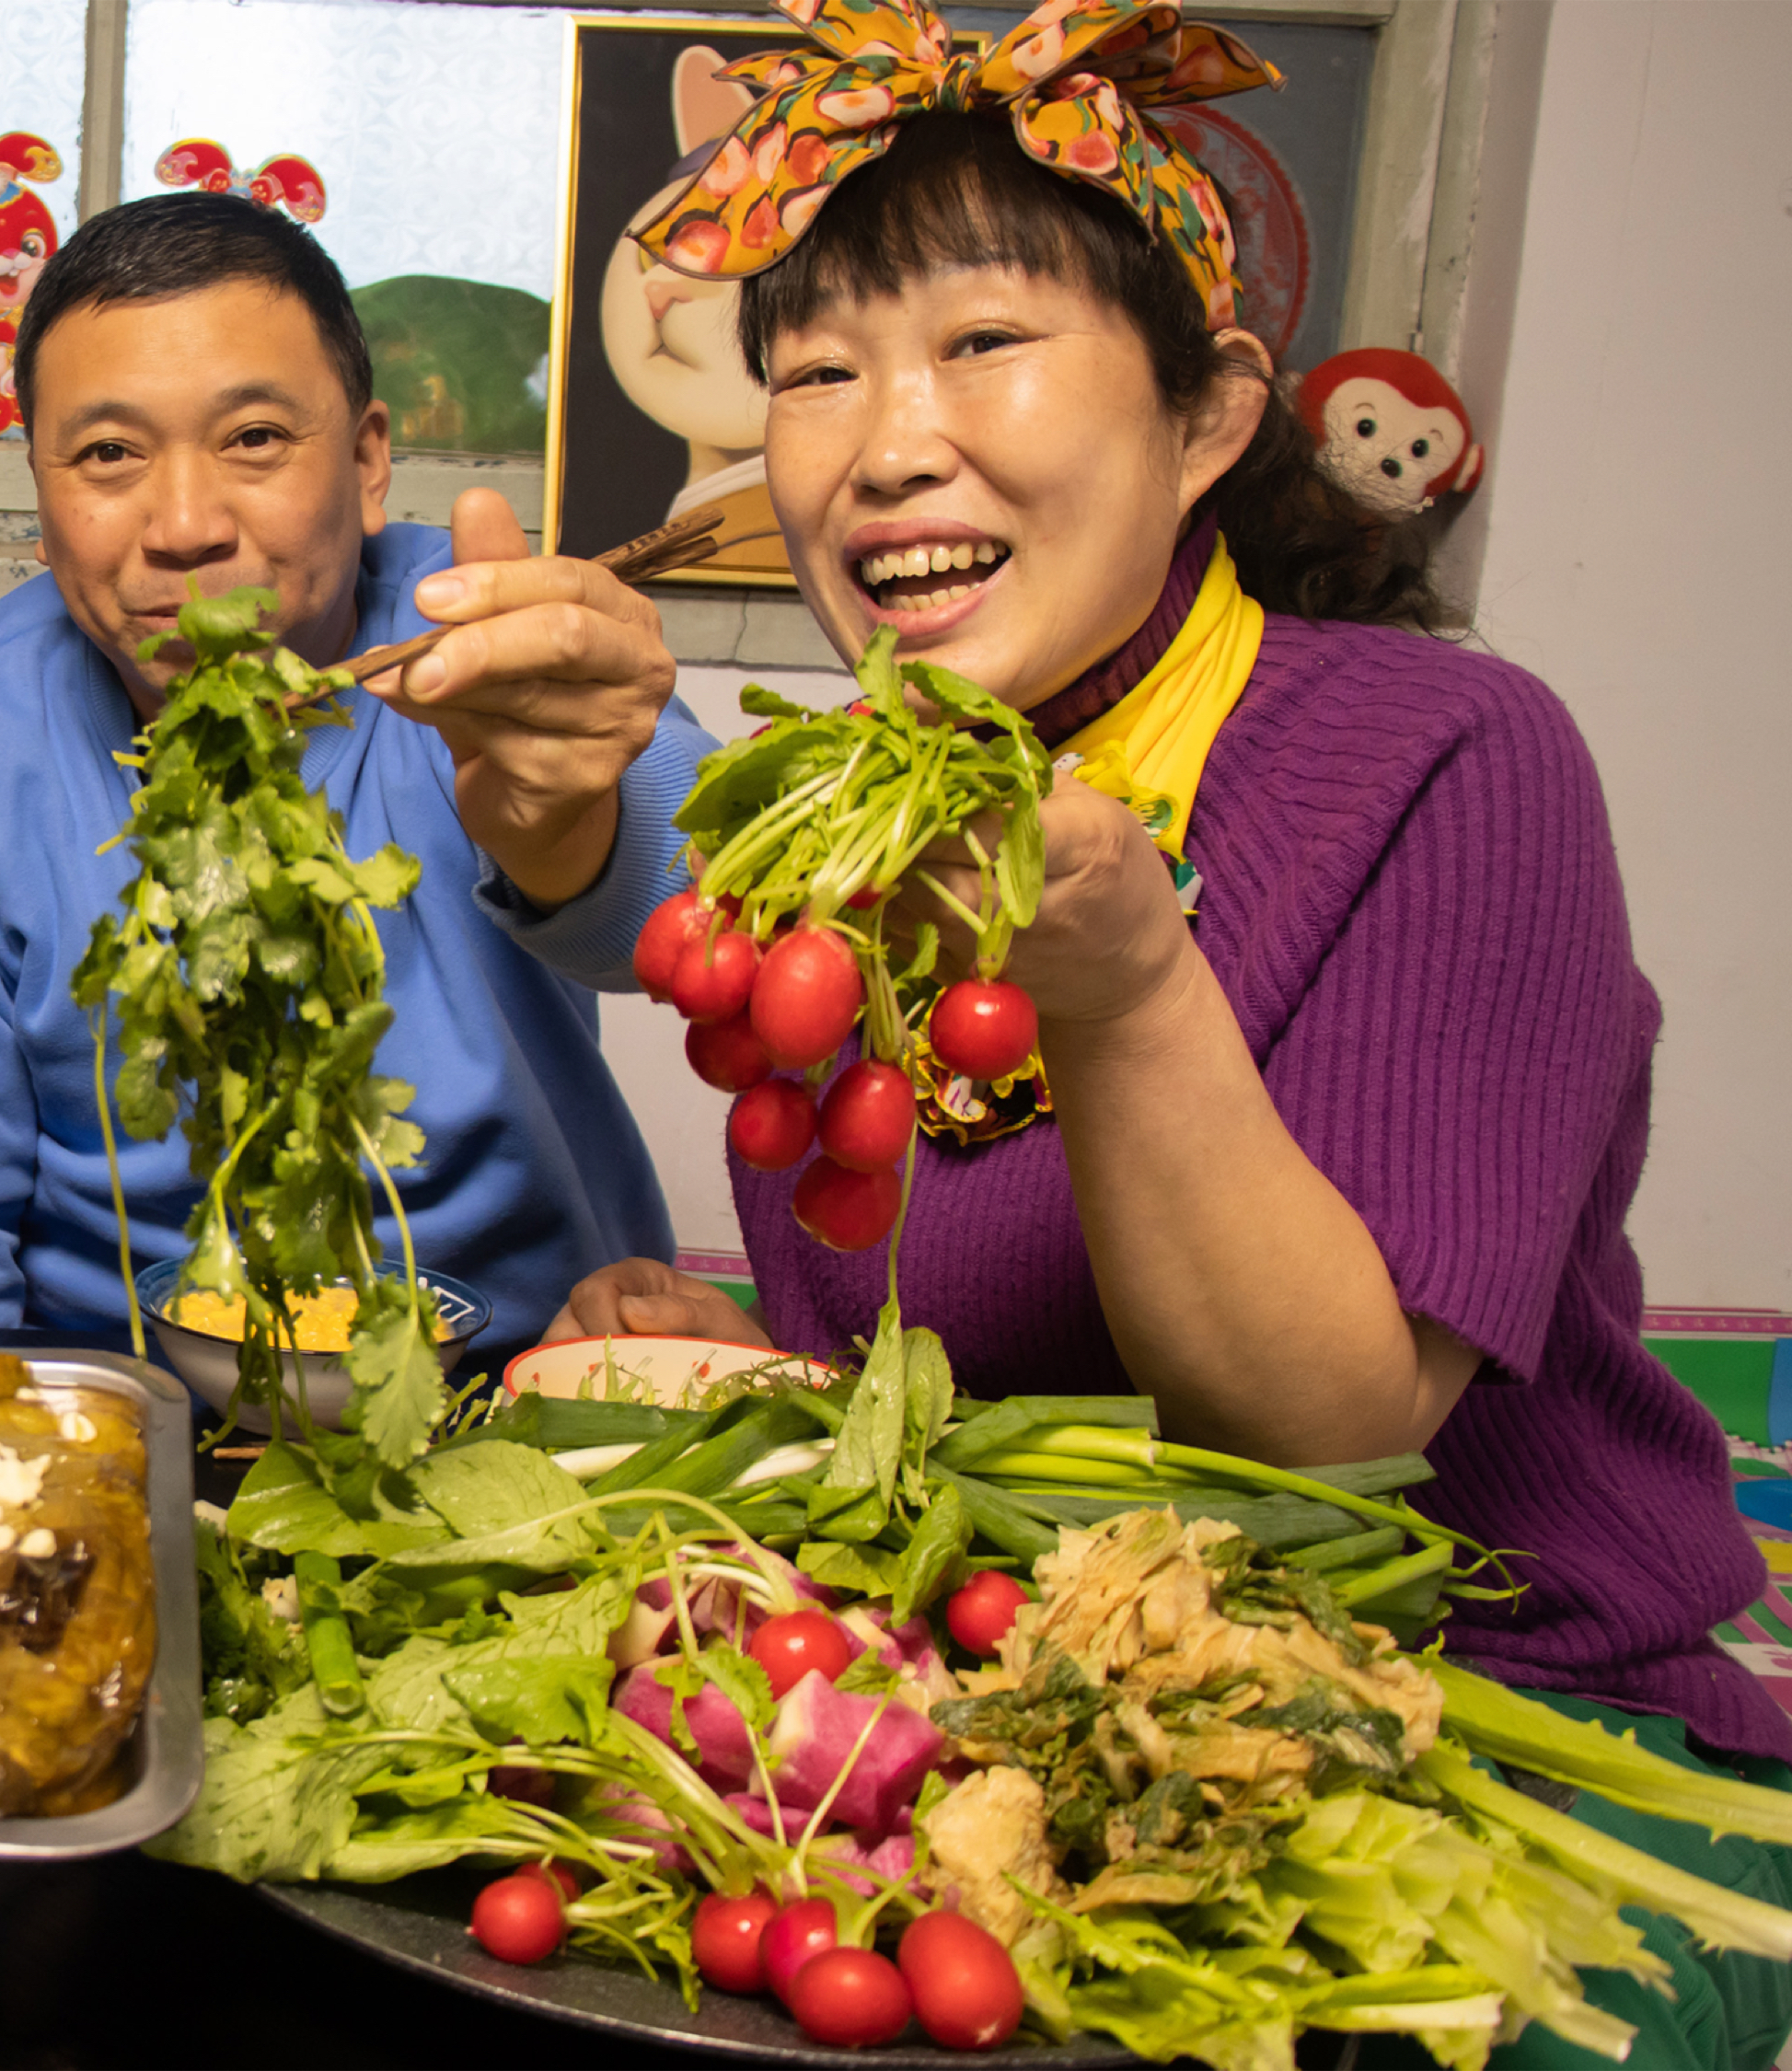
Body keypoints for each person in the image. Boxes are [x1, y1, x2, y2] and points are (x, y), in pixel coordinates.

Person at [548, 7, 1792, 2058]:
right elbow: (943, 1378)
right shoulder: (853, 811)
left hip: (1519, 1759)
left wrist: (1121, 987)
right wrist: (727, 1367)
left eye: (979, 345)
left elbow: (1340, 1435)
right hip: (1097, 1741)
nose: (881, 443)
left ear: (1208, 416)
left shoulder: (1450, 757)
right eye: (810, 373)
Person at [0, 191, 719, 1353]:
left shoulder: (492, 646)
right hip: (117, 1389)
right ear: (39, 499)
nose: (185, 526)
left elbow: (698, 919)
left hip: (536, 1362)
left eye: (253, 440)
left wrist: (574, 817)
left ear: (368, 460)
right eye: (108, 455)